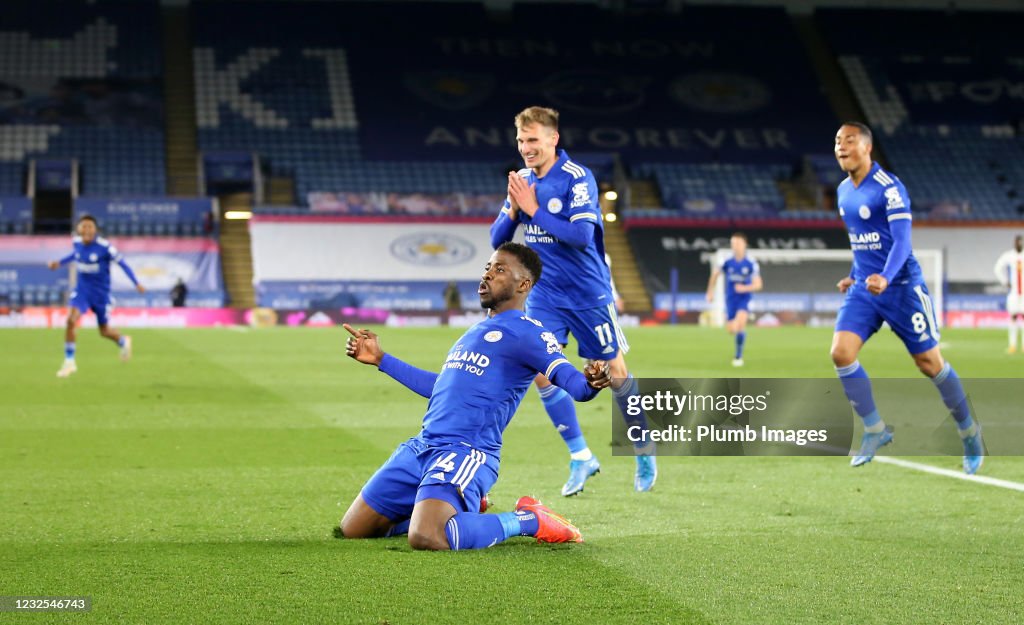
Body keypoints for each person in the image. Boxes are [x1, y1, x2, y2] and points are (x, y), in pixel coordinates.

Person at [338, 242, 611, 550]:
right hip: (422, 446)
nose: (487, 275)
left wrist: (591, 382)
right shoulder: (475, 332)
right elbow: (443, 389)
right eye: (487, 268)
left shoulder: (529, 333)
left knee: (427, 536)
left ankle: (530, 519)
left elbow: (573, 383)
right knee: (353, 530)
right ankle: (459, 510)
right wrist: (381, 360)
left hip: (466, 451)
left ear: (524, 284)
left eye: (499, 269)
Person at [490, 106, 655, 495]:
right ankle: (581, 456)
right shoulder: (522, 181)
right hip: (544, 293)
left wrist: (532, 209)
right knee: (542, 369)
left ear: (552, 139)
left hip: (587, 292)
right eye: (520, 140)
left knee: (613, 371)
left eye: (532, 140)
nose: (526, 148)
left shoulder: (577, 179)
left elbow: (581, 236)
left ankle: (643, 449)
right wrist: (515, 210)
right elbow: (498, 240)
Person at [830, 122, 984, 474]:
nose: (841, 146)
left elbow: (902, 242)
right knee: (840, 353)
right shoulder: (842, 192)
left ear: (866, 147)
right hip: (867, 289)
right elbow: (862, 241)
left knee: (930, 364)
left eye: (849, 140)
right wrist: (856, 275)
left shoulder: (889, 187)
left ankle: (970, 431)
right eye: (837, 141)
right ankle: (875, 430)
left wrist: (886, 276)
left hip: (901, 288)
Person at [48, 214, 145, 378]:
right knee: (71, 320)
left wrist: (136, 282)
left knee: (104, 331)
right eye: (83, 226)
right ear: (79, 229)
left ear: (95, 230)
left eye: (89, 227)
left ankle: (123, 341)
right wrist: (60, 262)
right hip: (82, 292)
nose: (86, 229)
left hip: (101, 294)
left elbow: (122, 264)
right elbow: (75, 255)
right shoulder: (77, 242)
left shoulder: (105, 247)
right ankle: (69, 362)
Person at [705, 232, 762, 367]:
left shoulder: (751, 263)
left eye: (737, 243)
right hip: (730, 300)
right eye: (733, 243)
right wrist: (710, 292)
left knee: (740, 325)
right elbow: (715, 275)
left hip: (744, 299)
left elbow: (758, 285)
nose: (735, 246)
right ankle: (739, 339)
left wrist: (744, 288)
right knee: (731, 330)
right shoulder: (727, 261)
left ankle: (738, 356)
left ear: (744, 244)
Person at [993, 235, 1023, 354]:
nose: (1019, 244)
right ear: (1014, 243)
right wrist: (1005, 281)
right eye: (1017, 242)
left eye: (1021, 242)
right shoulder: (1009, 256)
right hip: (1014, 293)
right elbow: (997, 268)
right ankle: (1012, 345)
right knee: (1013, 317)